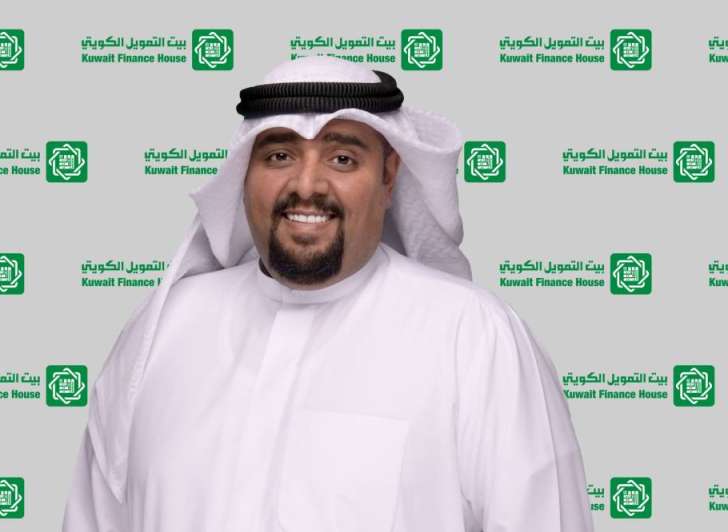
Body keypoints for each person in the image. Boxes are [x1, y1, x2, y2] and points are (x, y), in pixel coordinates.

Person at [62, 55, 594, 532]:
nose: (307, 185)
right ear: (245, 174)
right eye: (279, 156)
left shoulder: (473, 337)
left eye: (342, 159)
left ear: (388, 178)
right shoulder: (162, 332)